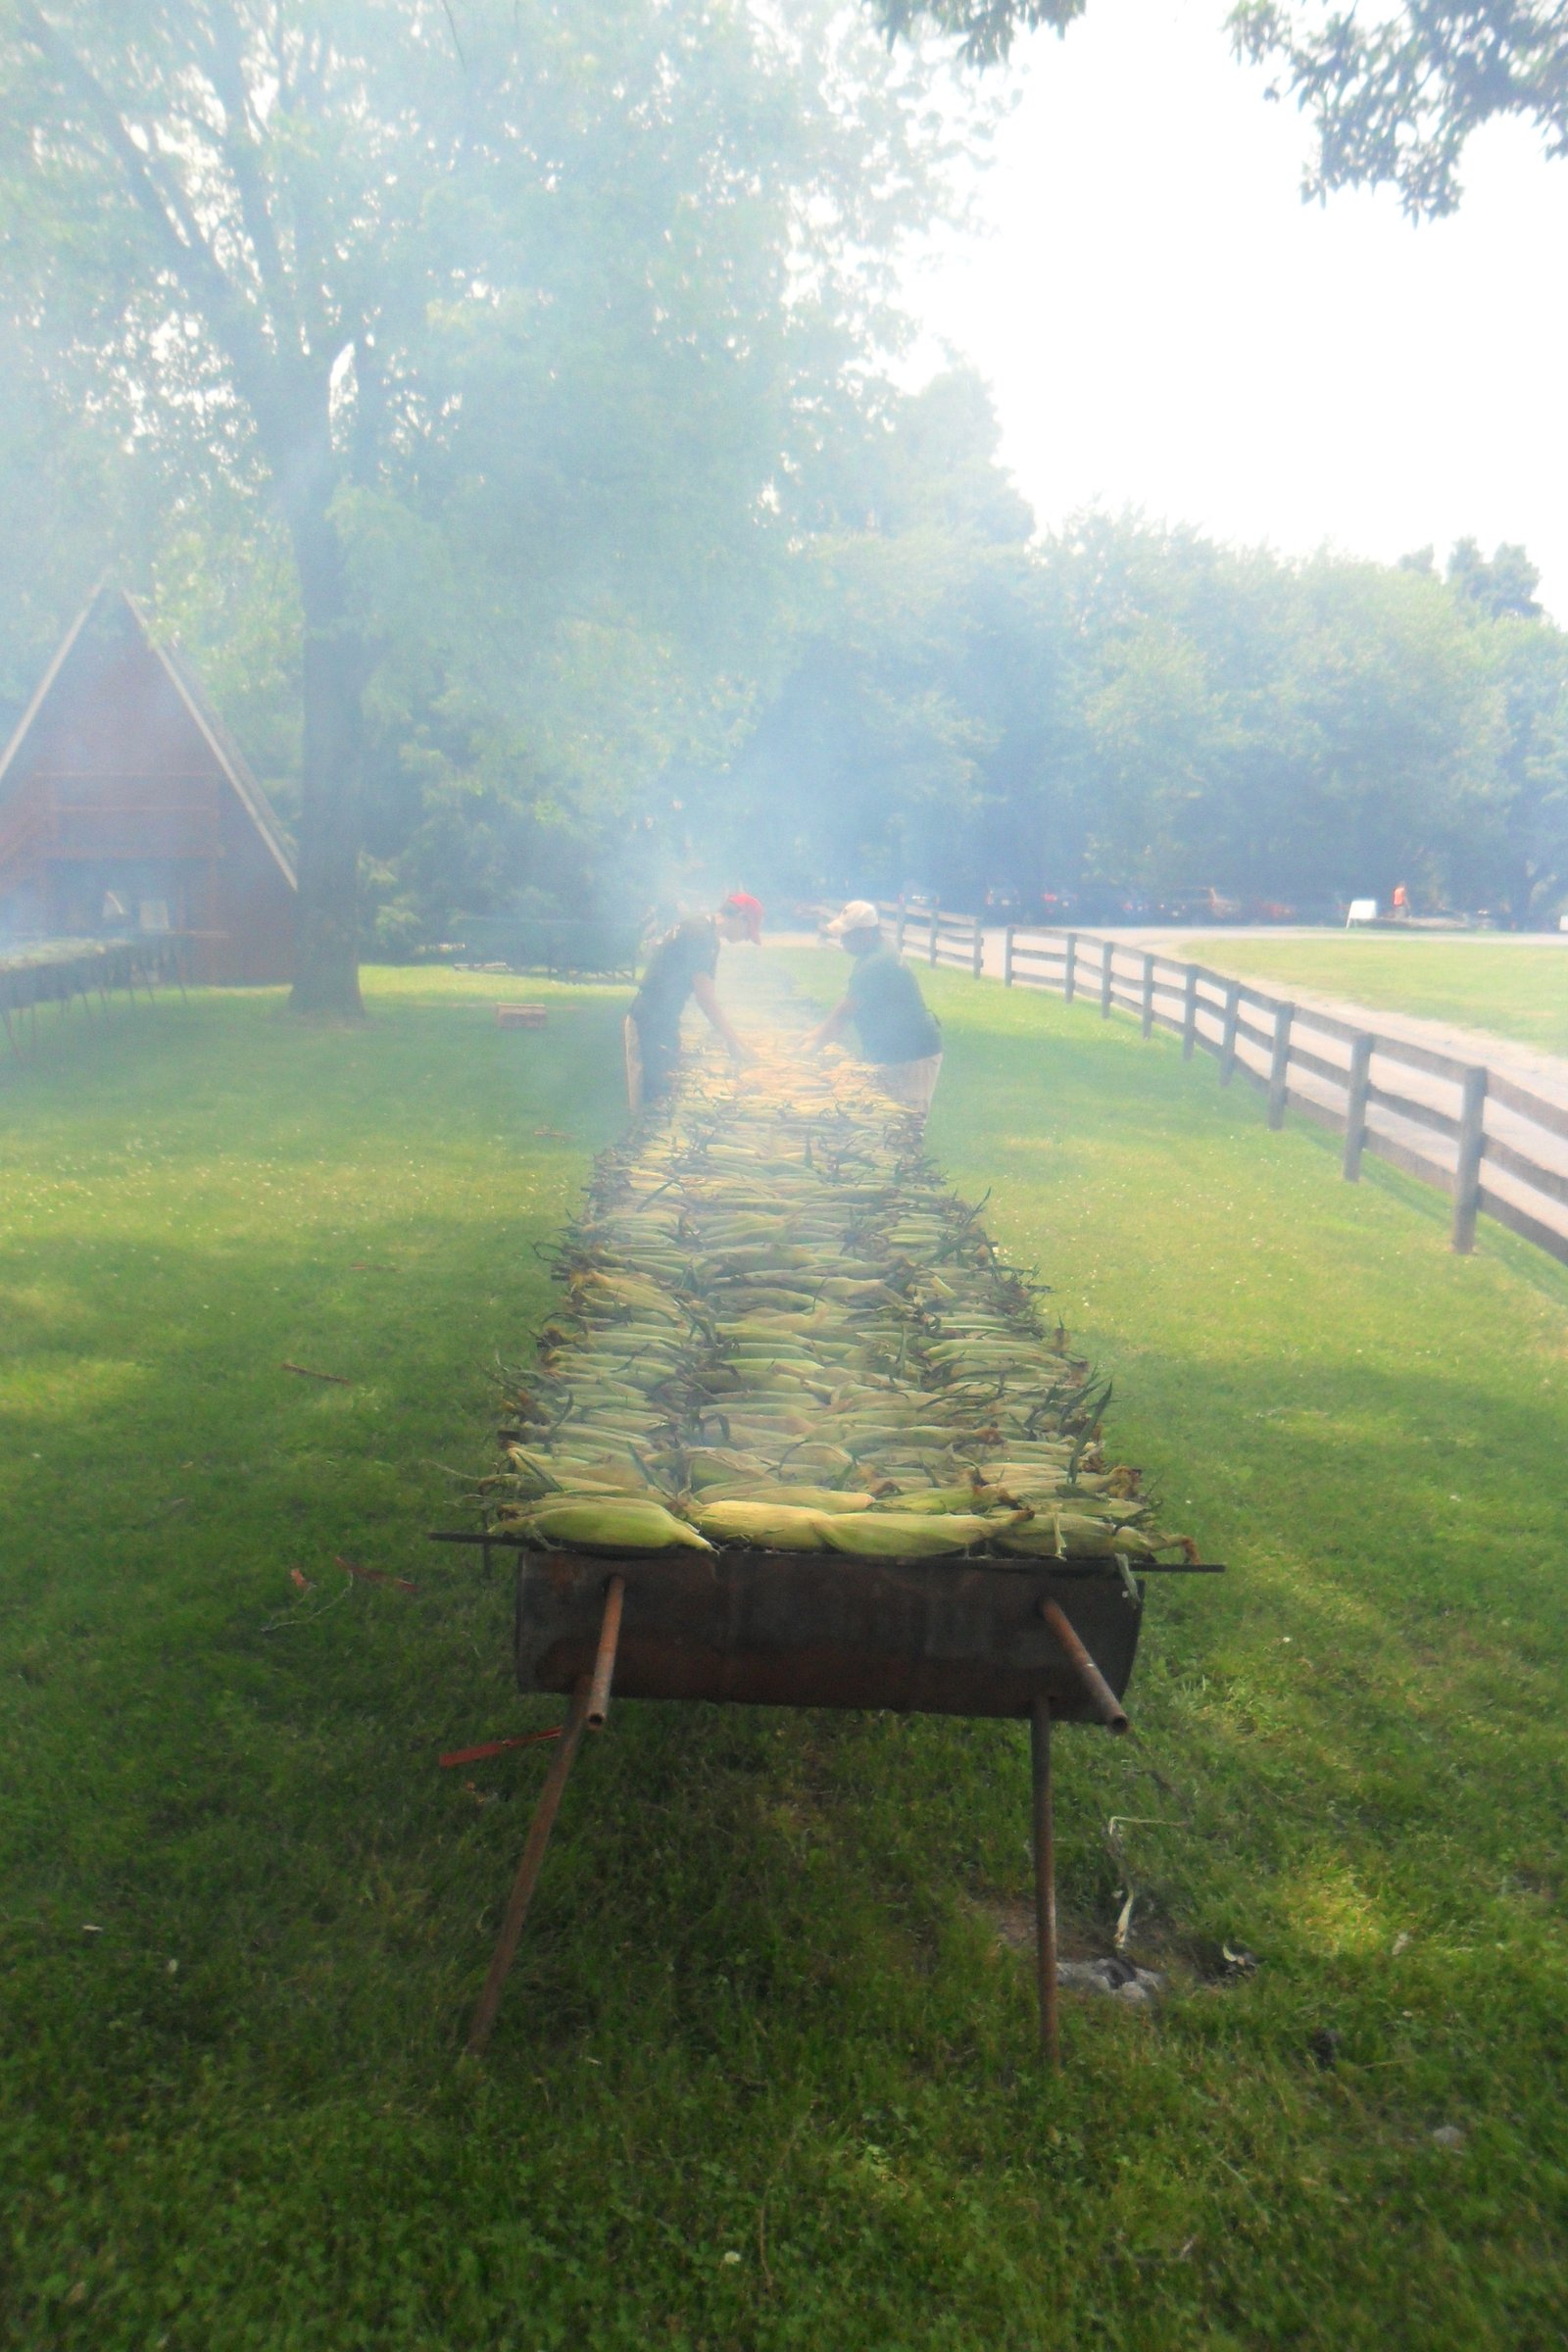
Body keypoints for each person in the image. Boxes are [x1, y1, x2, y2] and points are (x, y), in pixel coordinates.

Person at [803, 899, 943, 1119]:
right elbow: (845, 1007)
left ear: (866, 933)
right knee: (886, 1116)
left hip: (912, 1054)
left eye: (847, 935)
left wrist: (811, 1048)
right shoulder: (876, 953)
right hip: (897, 1050)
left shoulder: (875, 963)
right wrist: (813, 1033)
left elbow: (843, 1015)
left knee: (906, 1120)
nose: (842, 940)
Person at [624, 892, 762, 1109]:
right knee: (659, 1097)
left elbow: (705, 990)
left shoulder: (703, 930)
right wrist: (733, 1040)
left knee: (668, 1088)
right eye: (749, 930)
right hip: (652, 1019)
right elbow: (705, 998)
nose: (747, 937)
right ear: (741, 917)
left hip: (661, 1017)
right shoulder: (700, 934)